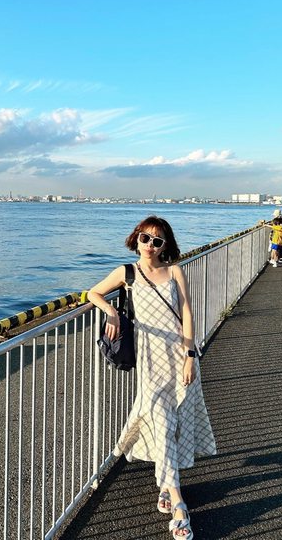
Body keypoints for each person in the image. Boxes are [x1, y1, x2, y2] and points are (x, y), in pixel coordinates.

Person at [88, 216, 216, 539]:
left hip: (180, 356)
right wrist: (111, 311)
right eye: (145, 238)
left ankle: (166, 486)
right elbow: (93, 293)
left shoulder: (174, 272)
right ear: (136, 238)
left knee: (174, 424)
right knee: (161, 421)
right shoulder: (127, 273)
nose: (149, 245)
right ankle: (179, 505)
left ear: (165, 246)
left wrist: (190, 356)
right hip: (150, 360)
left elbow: (187, 313)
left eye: (157, 241)